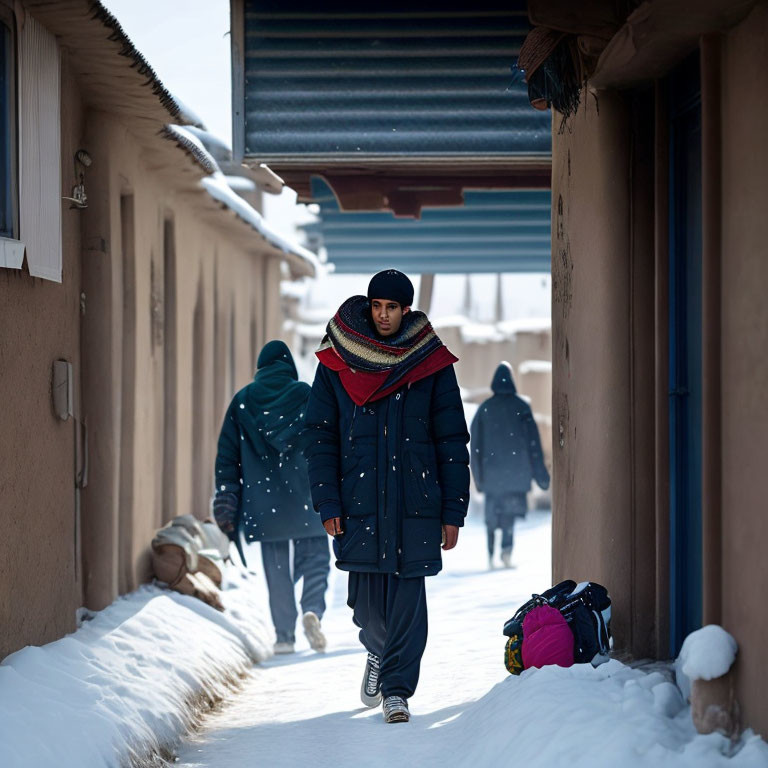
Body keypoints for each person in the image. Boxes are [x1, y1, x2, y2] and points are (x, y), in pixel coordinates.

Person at [304, 270, 470, 723]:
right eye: (377, 306)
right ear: (368, 305)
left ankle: (398, 690)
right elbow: (320, 436)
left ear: (406, 311)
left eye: (392, 308)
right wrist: (328, 503)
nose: (383, 315)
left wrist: (453, 510)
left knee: (408, 603)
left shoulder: (430, 362)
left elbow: (451, 440)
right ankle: (377, 651)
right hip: (358, 499)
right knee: (367, 605)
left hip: (416, 500)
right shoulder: (338, 361)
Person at [213, 340, 330, 655]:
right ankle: (312, 610)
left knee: (277, 569)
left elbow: (227, 458)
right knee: (317, 558)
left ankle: (284, 637)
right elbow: (326, 443)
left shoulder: (243, 402)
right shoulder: (306, 396)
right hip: (308, 496)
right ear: (288, 366)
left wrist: (226, 496)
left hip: (265, 504)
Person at [469, 362, 550, 570]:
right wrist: (540, 474)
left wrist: (478, 478)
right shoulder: (521, 408)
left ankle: (490, 554)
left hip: (492, 476)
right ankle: (506, 552)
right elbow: (534, 444)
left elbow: (475, 447)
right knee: (509, 518)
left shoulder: (485, 409)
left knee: (492, 518)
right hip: (516, 475)